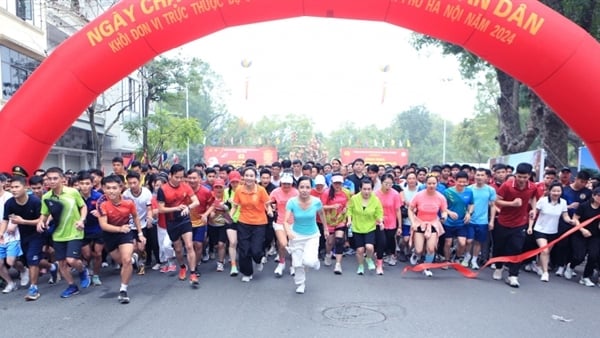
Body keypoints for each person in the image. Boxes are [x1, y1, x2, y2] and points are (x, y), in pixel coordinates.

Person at [37, 167, 90, 298]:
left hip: (75, 231)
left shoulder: (72, 192)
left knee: (71, 260)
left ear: (62, 179)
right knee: (61, 263)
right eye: (49, 179)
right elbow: (44, 213)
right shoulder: (47, 197)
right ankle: (72, 286)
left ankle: (83, 270)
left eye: (55, 178)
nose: (52, 181)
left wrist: (82, 220)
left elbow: (83, 206)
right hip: (58, 234)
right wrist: (40, 222)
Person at [1, 175, 55, 300]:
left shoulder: (35, 201)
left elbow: (41, 221)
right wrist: (1, 233)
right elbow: (5, 220)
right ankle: (52, 267)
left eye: (17, 187)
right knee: (32, 260)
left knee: (32, 259)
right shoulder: (10, 203)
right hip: (23, 235)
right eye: (11, 187)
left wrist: (23, 221)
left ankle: (33, 288)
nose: (13, 190)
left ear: (25, 187)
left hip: (37, 234)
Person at [97, 175, 146, 303]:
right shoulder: (101, 203)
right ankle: (133, 259)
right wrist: (119, 229)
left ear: (121, 188)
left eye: (114, 188)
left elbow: (135, 217)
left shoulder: (129, 202)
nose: (111, 191)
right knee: (120, 261)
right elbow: (103, 225)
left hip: (125, 232)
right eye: (108, 188)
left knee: (126, 260)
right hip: (110, 234)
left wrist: (140, 233)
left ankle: (123, 290)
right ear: (103, 189)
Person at [492, 163, 537, 288]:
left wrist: (533, 209)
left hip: (520, 223)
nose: (522, 180)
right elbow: (496, 201)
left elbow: (533, 198)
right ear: (515, 174)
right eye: (519, 176)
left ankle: (513, 275)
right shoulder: (507, 186)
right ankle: (499, 267)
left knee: (517, 249)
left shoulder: (532, 187)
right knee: (499, 247)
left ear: (529, 176)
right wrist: (512, 204)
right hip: (503, 222)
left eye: (525, 177)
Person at [157, 164, 201, 287]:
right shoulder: (163, 189)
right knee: (178, 249)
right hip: (171, 222)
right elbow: (160, 209)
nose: (179, 180)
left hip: (185, 219)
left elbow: (196, 201)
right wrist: (176, 208)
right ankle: (182, 266)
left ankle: (193, 273)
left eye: (181, 177)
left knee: (189, 245)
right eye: (177, 177)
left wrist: (188, 207)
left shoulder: (186, 187)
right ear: (170, 175)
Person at [284, 176, 327, 294]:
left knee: (308, 262)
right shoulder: (291, 202)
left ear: (311, 188)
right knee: (297, 264)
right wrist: (288, 232)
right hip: (296, 235)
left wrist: (326, 229)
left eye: (307, 187)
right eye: (302, 187)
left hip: (312, 235)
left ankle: (315, 262)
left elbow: (322, 214)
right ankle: (300, 284)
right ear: (297, 188)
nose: (304, 190)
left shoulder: (316, 201)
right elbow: (286, 220)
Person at [230, 167, 274, 282]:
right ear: (243, 177)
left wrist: (269, 210)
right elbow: (235, 206)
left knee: (256, 250)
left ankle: (258, 260)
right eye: (247, 175)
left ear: (255, 178)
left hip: (259, 223)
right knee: (244, 249)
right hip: (243, 222)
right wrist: (230, 215)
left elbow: (267, 204)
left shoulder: (261, 190)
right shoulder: (239, 190)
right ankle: (247, 272)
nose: (249, 178)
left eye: (251, 176)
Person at [528, 183, 573, 282]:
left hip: (553, 231)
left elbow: (565, 215)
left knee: (547, 252)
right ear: (549, 191)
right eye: (554, 191)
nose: (556, 193)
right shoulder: (543, 201)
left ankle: (538, 265)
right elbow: (533, 213)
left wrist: (570, 220)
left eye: (558, 191)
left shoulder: (563, 203)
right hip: (540, 229)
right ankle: (545, 273)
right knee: (544, 251)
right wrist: (530, 227)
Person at [408, 174, 448, 277]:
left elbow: (444, 211)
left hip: (433, 223)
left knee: (431, 248)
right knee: (419, 249)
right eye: (429, 183)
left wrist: (444, 217)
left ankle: (426, 267)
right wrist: (413, 222)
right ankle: (416, 254)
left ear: (437, 184)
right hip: (420, 223)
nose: (431, 185)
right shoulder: (419, 195)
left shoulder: (441, 197)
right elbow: (410, 209)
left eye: (434, 183)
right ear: (425, 184)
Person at [346, 178, 384, 275]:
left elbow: (379, 213)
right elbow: (349, 210)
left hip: (369, 227)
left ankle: (368, 258)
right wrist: (349, 220)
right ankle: (361, 265)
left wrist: (380, 222)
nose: (367, 191)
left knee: (369, 247)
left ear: (372, 189)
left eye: (369, 189)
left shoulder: (375, 200)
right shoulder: (354, 198)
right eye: (364, 189)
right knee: (360, 249)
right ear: (360, 189)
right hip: (357, 227)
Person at [567, 187, 600, 286]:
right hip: (580, 234)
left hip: (595, 235)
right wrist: (582, 229)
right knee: (579, 256)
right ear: (594, 196)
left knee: (594, 255)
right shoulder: (584, 206)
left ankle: (585, 276)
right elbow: (575, 219)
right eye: (599, 196)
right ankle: (571, 266)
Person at [465, 168, 496, 270]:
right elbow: (466, 204)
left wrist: (491, 221)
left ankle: (474, 260)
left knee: (478, 241)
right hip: (470, 219)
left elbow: (492, 206)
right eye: (477, 175)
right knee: (469, 241)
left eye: (482, 175)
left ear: (487, 177)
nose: (479, 177)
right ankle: (467, 257)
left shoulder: (490, 190)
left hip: (483, 221)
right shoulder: (468, 189)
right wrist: (467, 214)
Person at [123, 171, 153, 275]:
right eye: (130, 183)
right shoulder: (125, 194)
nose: (132, 185)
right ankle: (139, 264)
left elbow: (149, 208)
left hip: (143, 223)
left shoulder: (146, 193)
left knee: (141, 247)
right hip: (131, 223)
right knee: (134, 247)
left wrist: (149, 217)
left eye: (134, 182)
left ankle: (142, 258)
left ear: (139, 181)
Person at [442, 171, 474, 266]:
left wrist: (469, 213)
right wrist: (449, 212)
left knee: (462, 243)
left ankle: (457, 257)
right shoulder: (447, 192)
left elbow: (471, 204)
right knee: (448, 243)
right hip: (449, 222)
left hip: (462, 222)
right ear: (455, 181)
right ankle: (447, 260)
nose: (462, 184)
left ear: (467, 181)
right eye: (460, 181)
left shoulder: (469, 192)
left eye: (464, 182)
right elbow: (442, 206)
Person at [269, 173, 298, 277]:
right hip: (280, 221)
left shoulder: (296, 192)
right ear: (281, 183)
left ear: (292, 184)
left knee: (293, 245)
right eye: (284, 184)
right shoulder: (275, 192)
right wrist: (270, 209)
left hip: (293, 222)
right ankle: (281, 263)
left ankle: (293, 265)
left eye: (288, 184)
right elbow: (268, 202)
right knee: (282, 244)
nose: (286, 186)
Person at [78, 172, 104, 286]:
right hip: (82, 229)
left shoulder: (99, 197)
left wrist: (100, 212)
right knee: (87, 254)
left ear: (92, 184)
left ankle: (96, 275)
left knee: (98, 254)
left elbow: (106, 210)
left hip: (98, 228)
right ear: (78, 184)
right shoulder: (75, 197)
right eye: (82, 183)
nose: (84, 186)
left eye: (87, 183)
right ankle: (86, 269)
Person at [321, 174, 350, 274]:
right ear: (332, 183)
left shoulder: (346, 192)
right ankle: (328, 254)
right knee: (330, 242)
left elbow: (349, 204)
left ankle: (338, 264)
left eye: (339, 183)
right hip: (329, 220)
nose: (337, 185)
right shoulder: (326, 193)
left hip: (341, 219)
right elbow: (321, 207)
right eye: (335, 183)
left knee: (339, 240)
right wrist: (332, 206)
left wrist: (346, 209)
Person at [185, 169, 212, 273]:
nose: (192, 180)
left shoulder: (206, 191)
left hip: (200, 222)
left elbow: (212, 204)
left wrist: (206, 214)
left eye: (194, 178)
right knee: (189, 245)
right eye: (190, 178)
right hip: (186, 222)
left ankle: (195, 266)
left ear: (200, 179)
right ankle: (191, 267)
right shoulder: (183, 190)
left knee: (199, 245)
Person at [375, 173, 403, 272]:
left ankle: (392, 255)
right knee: (381, 240)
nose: (388, 186)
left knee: (390, 239)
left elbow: (398, 210)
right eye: (386, 183)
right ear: (381, 183)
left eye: (390, 184)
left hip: (391, 220)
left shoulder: (395, 194)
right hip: (379, 221)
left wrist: (400, 226)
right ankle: (381, 258)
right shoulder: (376, 194)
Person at [206, 179, 231, 272]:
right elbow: (206, 208)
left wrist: (224, 208)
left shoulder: (227, 197)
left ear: (224, 187)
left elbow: (231, 209)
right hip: (212, 225)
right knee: (216, 245)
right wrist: (210, 214)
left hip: (223, 224)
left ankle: (220, 263)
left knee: (221, 244)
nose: (218, 189)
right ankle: (218, 255)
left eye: (220, 187)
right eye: (216, 187)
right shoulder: (210, 196)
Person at [224, 170, 241, 276]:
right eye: (232, 182)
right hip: (230, 220)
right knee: (233, 242)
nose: (234, 184)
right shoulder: (226, 192)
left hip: (244, 220)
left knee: (243, 244)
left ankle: (243, 262)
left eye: (236, 181)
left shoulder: (244, 191)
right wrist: (225, 204)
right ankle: (233, 266)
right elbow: (224, 207)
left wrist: (235, 203)